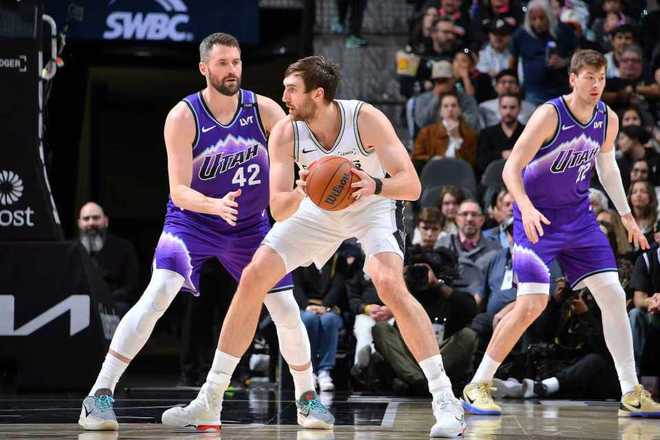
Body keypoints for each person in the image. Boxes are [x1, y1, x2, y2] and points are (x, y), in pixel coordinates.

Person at [163, 55, 467, 437]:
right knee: (253, 276)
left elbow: (412, 186)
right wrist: (302, 190)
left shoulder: (364, 119)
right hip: (315, 208)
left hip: (371, 204)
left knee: (389, 283)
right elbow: (278, 207)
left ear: (317, 94)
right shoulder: (285, 132)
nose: (284, 97)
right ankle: (211, 398)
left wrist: (374, 185)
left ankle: (445, 399)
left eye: (292, 89)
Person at [79, 33, 326, 431]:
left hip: (249, 227)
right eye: (223, 63)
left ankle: (307, 399)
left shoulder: (264, 110)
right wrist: (214, 205)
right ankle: (98, 395)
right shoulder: (183, 116)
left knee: (285, 308)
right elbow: (178, 190)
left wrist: (311, 177)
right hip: (192, 222)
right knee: (159, 293)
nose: (232, 70)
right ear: (204, 68)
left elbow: (305, 152)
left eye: (237, 62)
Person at [462, 49, 660, 417]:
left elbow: (607, 168)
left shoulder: (607, 118)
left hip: (579, 218)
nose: (596, 85)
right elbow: (511, 169)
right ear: (572, 79)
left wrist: (626, 216)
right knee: (531, 305)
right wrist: (525, 206)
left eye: (601, 78)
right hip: (536, 218)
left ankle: (631, 391)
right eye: (589, 78)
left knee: (614, 295)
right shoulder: (549, 114)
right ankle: (477, 384)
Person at [77, 201, 139, 317]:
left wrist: (106, 298)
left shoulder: (124, 248)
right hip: (78, 306)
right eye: (86, 219)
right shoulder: (72, 250)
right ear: (79, 223)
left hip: (115, 306)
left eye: (96, 218)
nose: (91, 222)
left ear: (106, 221)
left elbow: (131, 286)